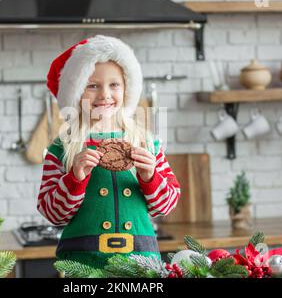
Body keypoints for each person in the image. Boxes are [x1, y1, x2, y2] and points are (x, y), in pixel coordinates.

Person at [37, 35, 181, 268]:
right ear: (76, 93)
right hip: (83, 262)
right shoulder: (62, 147)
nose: (104, 94)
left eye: (114, 84)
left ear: (126, 89)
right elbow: (53, 214)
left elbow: (166, 206)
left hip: (141, 261)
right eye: (92, 86)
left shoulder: (146, 143)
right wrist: (75, 178)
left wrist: (150, 177)